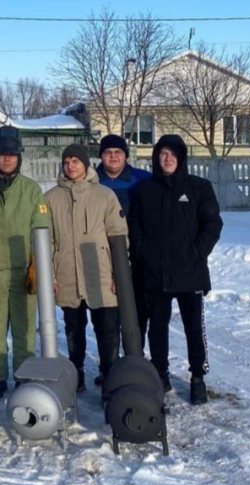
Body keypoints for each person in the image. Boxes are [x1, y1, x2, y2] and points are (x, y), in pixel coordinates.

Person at [128, 134, 223, 405]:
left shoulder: (198, 188)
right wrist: (144, 253)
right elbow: (135, 226)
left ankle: (197, 378)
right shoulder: (145, 191)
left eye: (172, 155)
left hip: (189, 271)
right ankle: (160, 374)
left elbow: (213, 224)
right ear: (156, 158)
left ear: (181, 159)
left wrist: (197, 252)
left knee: (194, 327)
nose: (167, 159)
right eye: (162, 154)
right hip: (155, 273)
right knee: (157, 328)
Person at [0, 127, 52, 400]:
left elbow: (40, 228)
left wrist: (35, 267)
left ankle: (23, 375)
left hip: (22, 271)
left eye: (12, 155)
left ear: (19, 158)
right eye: (3, 155)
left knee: (24, 328)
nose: (7, 160)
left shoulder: (31, 190)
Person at [46, 144, 127, 392]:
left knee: (107, 329)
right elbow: (46, 240)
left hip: (99, 269)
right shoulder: (51, 198)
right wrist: (50, 275)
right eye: (67, 161)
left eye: (75, 161)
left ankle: (110, 375)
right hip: (67, 271)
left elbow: (118, 235)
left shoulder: (104, 195)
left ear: (85, 165)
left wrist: (118, 275)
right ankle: (75, 372)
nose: (71, 166)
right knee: (73, 328)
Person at [96, 134, 152, 373]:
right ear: (101, 156)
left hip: (136, 255)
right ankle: (109, 367)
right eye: (108, 152)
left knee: (136, 314)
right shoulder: (91, 181)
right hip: (100, 256)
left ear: (126, 155)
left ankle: (134, 363)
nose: (113, 156)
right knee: (105, 317)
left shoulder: (142, 180)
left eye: (118, 152)